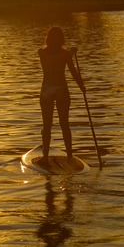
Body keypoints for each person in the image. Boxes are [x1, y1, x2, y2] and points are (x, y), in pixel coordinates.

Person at [38, 26, 85, 164]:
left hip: (46, 90)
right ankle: (69, 156)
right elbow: (74, 73)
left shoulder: (41, 53)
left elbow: (55, 55)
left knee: (47, 125)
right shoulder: (65, 55)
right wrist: (82, 86)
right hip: (62, 91)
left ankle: (45, 157)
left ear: (48, 38)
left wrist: (70, 53)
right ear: (61, 40)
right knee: (65, 124)